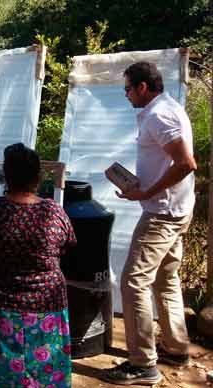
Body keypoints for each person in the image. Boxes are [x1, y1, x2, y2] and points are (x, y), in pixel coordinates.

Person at [103, 62, 196, 385]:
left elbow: (186, 163)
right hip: (176, 209)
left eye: (128, 89)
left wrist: (147, 191)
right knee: (166, 279)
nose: (126, 95)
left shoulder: (159, 115)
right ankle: (176, 346)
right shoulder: (168, 109)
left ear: (143, 87)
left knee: (133, 281)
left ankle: (142, 363)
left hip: (161, 213)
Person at [0, 143, 76, 388]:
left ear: (5, 176)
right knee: (47, 369)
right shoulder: (54, 212)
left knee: (4, 370)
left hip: (4, 303)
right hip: (49, 303)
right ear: (37, 177)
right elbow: (66, 247)